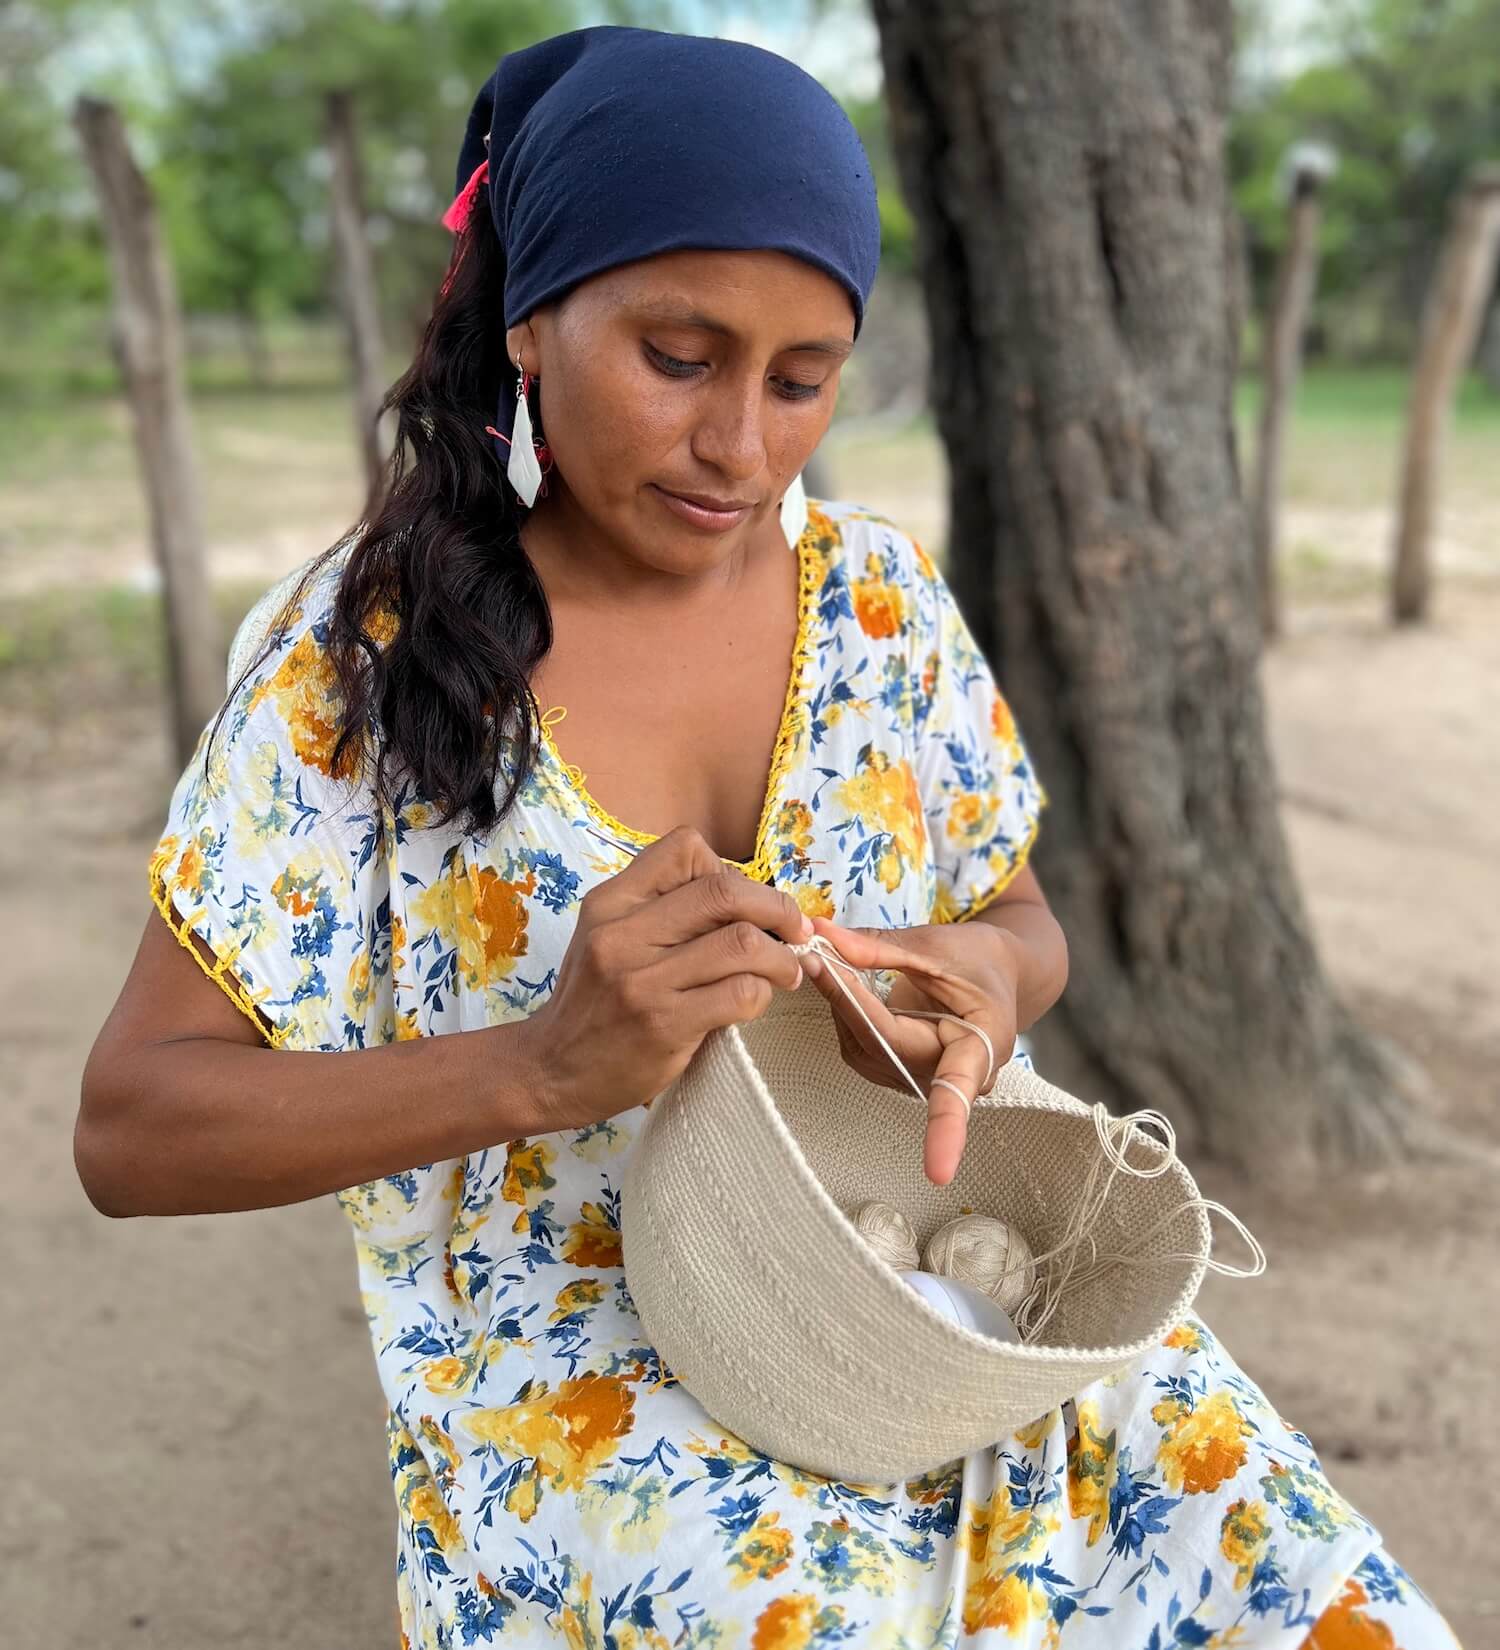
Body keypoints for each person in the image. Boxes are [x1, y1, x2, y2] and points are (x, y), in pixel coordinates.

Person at [77, 25, 1457, 1650]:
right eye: (679, 357)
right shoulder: (363, 664)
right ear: (531, 319)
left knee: (1321, 1590)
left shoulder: (878, 604)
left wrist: (988, 983)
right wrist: (539, 1067)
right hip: (579, 1378)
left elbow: (1019, 911)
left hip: (932, 1313)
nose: (742, 443)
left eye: (801, 380)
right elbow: (132, 1129)